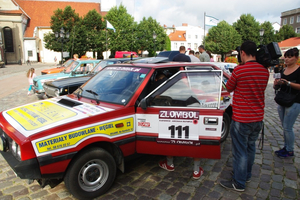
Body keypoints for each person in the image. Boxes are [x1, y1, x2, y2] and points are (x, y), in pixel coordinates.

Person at [219, 41, 269, 191]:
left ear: (242, 53)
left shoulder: (240, 71)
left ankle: (238, 182)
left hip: (242, 118)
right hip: (257, 118)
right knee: (250, 148)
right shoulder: (264, 71)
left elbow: (229, 87)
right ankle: (246, 175)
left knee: (240, 151)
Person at [273, 47, 300, 158]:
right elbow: (277, 85)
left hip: (295, 100)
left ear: (296, 58)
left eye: (290, 57)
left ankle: (290, 150)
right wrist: (276, 83)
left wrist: (288, 83)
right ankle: (286, 146)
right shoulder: (282, 70)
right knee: (284, 126)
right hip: (283, 99)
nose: (287, 59)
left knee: (288, 127)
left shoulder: (299, 70)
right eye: (286, 57)